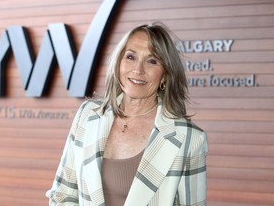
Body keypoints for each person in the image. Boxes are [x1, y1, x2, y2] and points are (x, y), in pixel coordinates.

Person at [46, 22, 208, 206]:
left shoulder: (189, 139)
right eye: (130, 56)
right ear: (118, 63)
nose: (138, 70)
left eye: (152, 61)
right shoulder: (88, 115)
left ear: (165, 75)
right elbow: (62, 194)